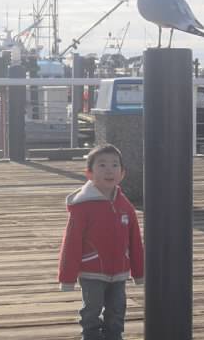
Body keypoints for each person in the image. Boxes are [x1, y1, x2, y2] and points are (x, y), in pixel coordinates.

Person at [58, 144, 144, 340]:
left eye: (115, 165)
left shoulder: (126, 206)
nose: (109, 170)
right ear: (89, 173)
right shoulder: (82, 207)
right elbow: (71, 243)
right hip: (91, 270)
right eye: (102, 165)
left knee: (117, 308)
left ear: (122, 173)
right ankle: (90, 336)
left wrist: (139, 273)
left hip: (120, 270)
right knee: (92, 309)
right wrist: (67, 277)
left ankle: (114, 336)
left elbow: (135, 241)